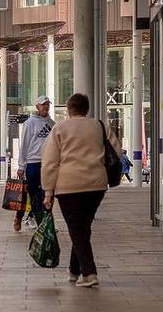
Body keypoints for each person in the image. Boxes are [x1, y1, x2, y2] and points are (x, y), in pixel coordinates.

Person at [42, 92, 120, 288]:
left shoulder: (60, 128)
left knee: (77, 229)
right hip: (96, 185)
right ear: (87, 108)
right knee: (82, 228)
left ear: (69, 109)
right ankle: (74, 270)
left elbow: (50, 163)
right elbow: (117, 150)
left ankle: (89, 272)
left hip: (68, 187)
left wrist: (48, 192)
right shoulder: (99, 126)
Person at [14, 95, 54, 232]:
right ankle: (20, 217)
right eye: (43, 104)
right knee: (32, 195)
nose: (46, 107)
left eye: (47, 104)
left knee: (48, 194)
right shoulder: (30, 123)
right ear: (37, 106)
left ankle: (45, 223)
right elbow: (23, 145)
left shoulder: (52, 124)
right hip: (33, 163)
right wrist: (21, 166)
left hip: (49, 164)